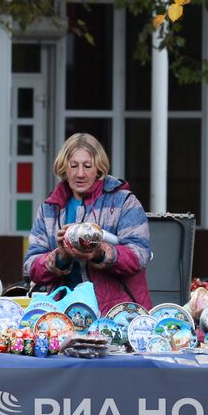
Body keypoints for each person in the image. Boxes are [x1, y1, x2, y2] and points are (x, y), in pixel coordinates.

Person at [22, 133, 152, 313]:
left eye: (87, 166)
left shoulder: (124, 202)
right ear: (63, 168)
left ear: (99, 168)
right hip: (64, 315)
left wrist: (99, 253)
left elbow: (140, 256)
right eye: (73, 166)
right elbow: (31, 266)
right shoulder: (50, 208)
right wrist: (60, 257)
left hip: (118, 315)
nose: (80, 174)